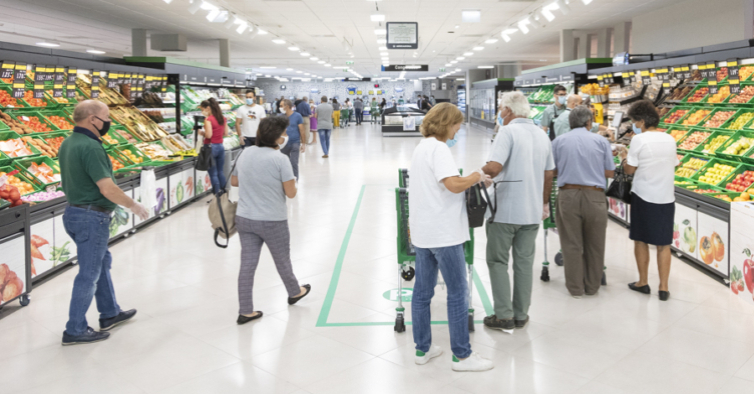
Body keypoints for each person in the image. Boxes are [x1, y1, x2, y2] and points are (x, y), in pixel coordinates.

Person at [409, 102, 493, 372]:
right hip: (444, 233)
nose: (459, 129)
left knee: (422, 292)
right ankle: (462, 356)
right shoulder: (439, 148)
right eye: (457, 124)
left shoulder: (421, 147)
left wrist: (473, 180)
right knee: (457, 292)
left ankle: (423, 349)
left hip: (423, 232)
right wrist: (475, 176)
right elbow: (453, 184)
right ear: (447, 124)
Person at [58, 100, 150, 345]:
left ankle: (110, 313)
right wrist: (134, 205)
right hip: (91, 216)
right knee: (89, 273)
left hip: (74, 212)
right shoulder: (90, 147)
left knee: (102, 262)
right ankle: (74, 329)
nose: (109, 121)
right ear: (92, 119)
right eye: (106, 117)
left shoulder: (68, 143)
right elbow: (107, 188)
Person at [481, 91, 555, 331]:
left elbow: (494, 167)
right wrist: (544, 203)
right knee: (524, 263)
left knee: (497, 261)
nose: (499, 114)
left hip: (505, 211)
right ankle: (521, 314)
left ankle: (503, 315)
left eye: (501, 109)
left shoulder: (508, 132)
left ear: (509, 111)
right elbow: (548, 173)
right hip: (532, 211)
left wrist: (477, 172)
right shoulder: (542, 135)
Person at [231, 116, 311, 325]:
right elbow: (291, 193)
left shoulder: (245, 153)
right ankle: (294, 292)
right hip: (272, 219)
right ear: (276, 137)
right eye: (283, 133)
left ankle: (245, 310)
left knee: (247, 264)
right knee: (282, 259)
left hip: (245, 218)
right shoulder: (280, 159)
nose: (285, 136)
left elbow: (234, 181)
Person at [551, 106, 616, 298]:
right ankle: (592, 286)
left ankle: (575, 288)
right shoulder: (601, 141)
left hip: (568, 195)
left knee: (571, 244)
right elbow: (610, 172)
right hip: (595, 196)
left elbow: (552, 171)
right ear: (588, 122)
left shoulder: (558, 141)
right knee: (595, 244)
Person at [620, 100, 678, 301]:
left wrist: (624, 157)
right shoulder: (670, 139)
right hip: (666, 197)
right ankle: (664, 288)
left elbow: (629, 170)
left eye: (634, 121)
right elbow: (674, 164)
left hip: (644, 196)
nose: (634, 126)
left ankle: (643, 282)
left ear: (642, 121)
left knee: (641, 240)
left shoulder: (639, 140)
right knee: (664, 244)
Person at [200, 98, 230, 194]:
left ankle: (216, 195)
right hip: (220, 146)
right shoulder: (222, 118)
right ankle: (223, 193)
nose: (202, 111)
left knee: (213, 173)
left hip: (210, 147)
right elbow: (226, 133)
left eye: (202, 109)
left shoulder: (208, 119)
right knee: (220, 171)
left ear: (208, 108)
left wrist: (201, 133)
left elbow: (209, 135)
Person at [280, 99, 306, 180]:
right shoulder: (281, 117)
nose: (279, 108)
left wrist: (303, 143)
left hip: (295, 142)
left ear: (287, 107)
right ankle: (286, 180)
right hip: (283, 143)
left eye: (281, 106)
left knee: (294, 162)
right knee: (284, 163)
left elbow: (302, 130)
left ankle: (295, 180)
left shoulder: (297, 116)